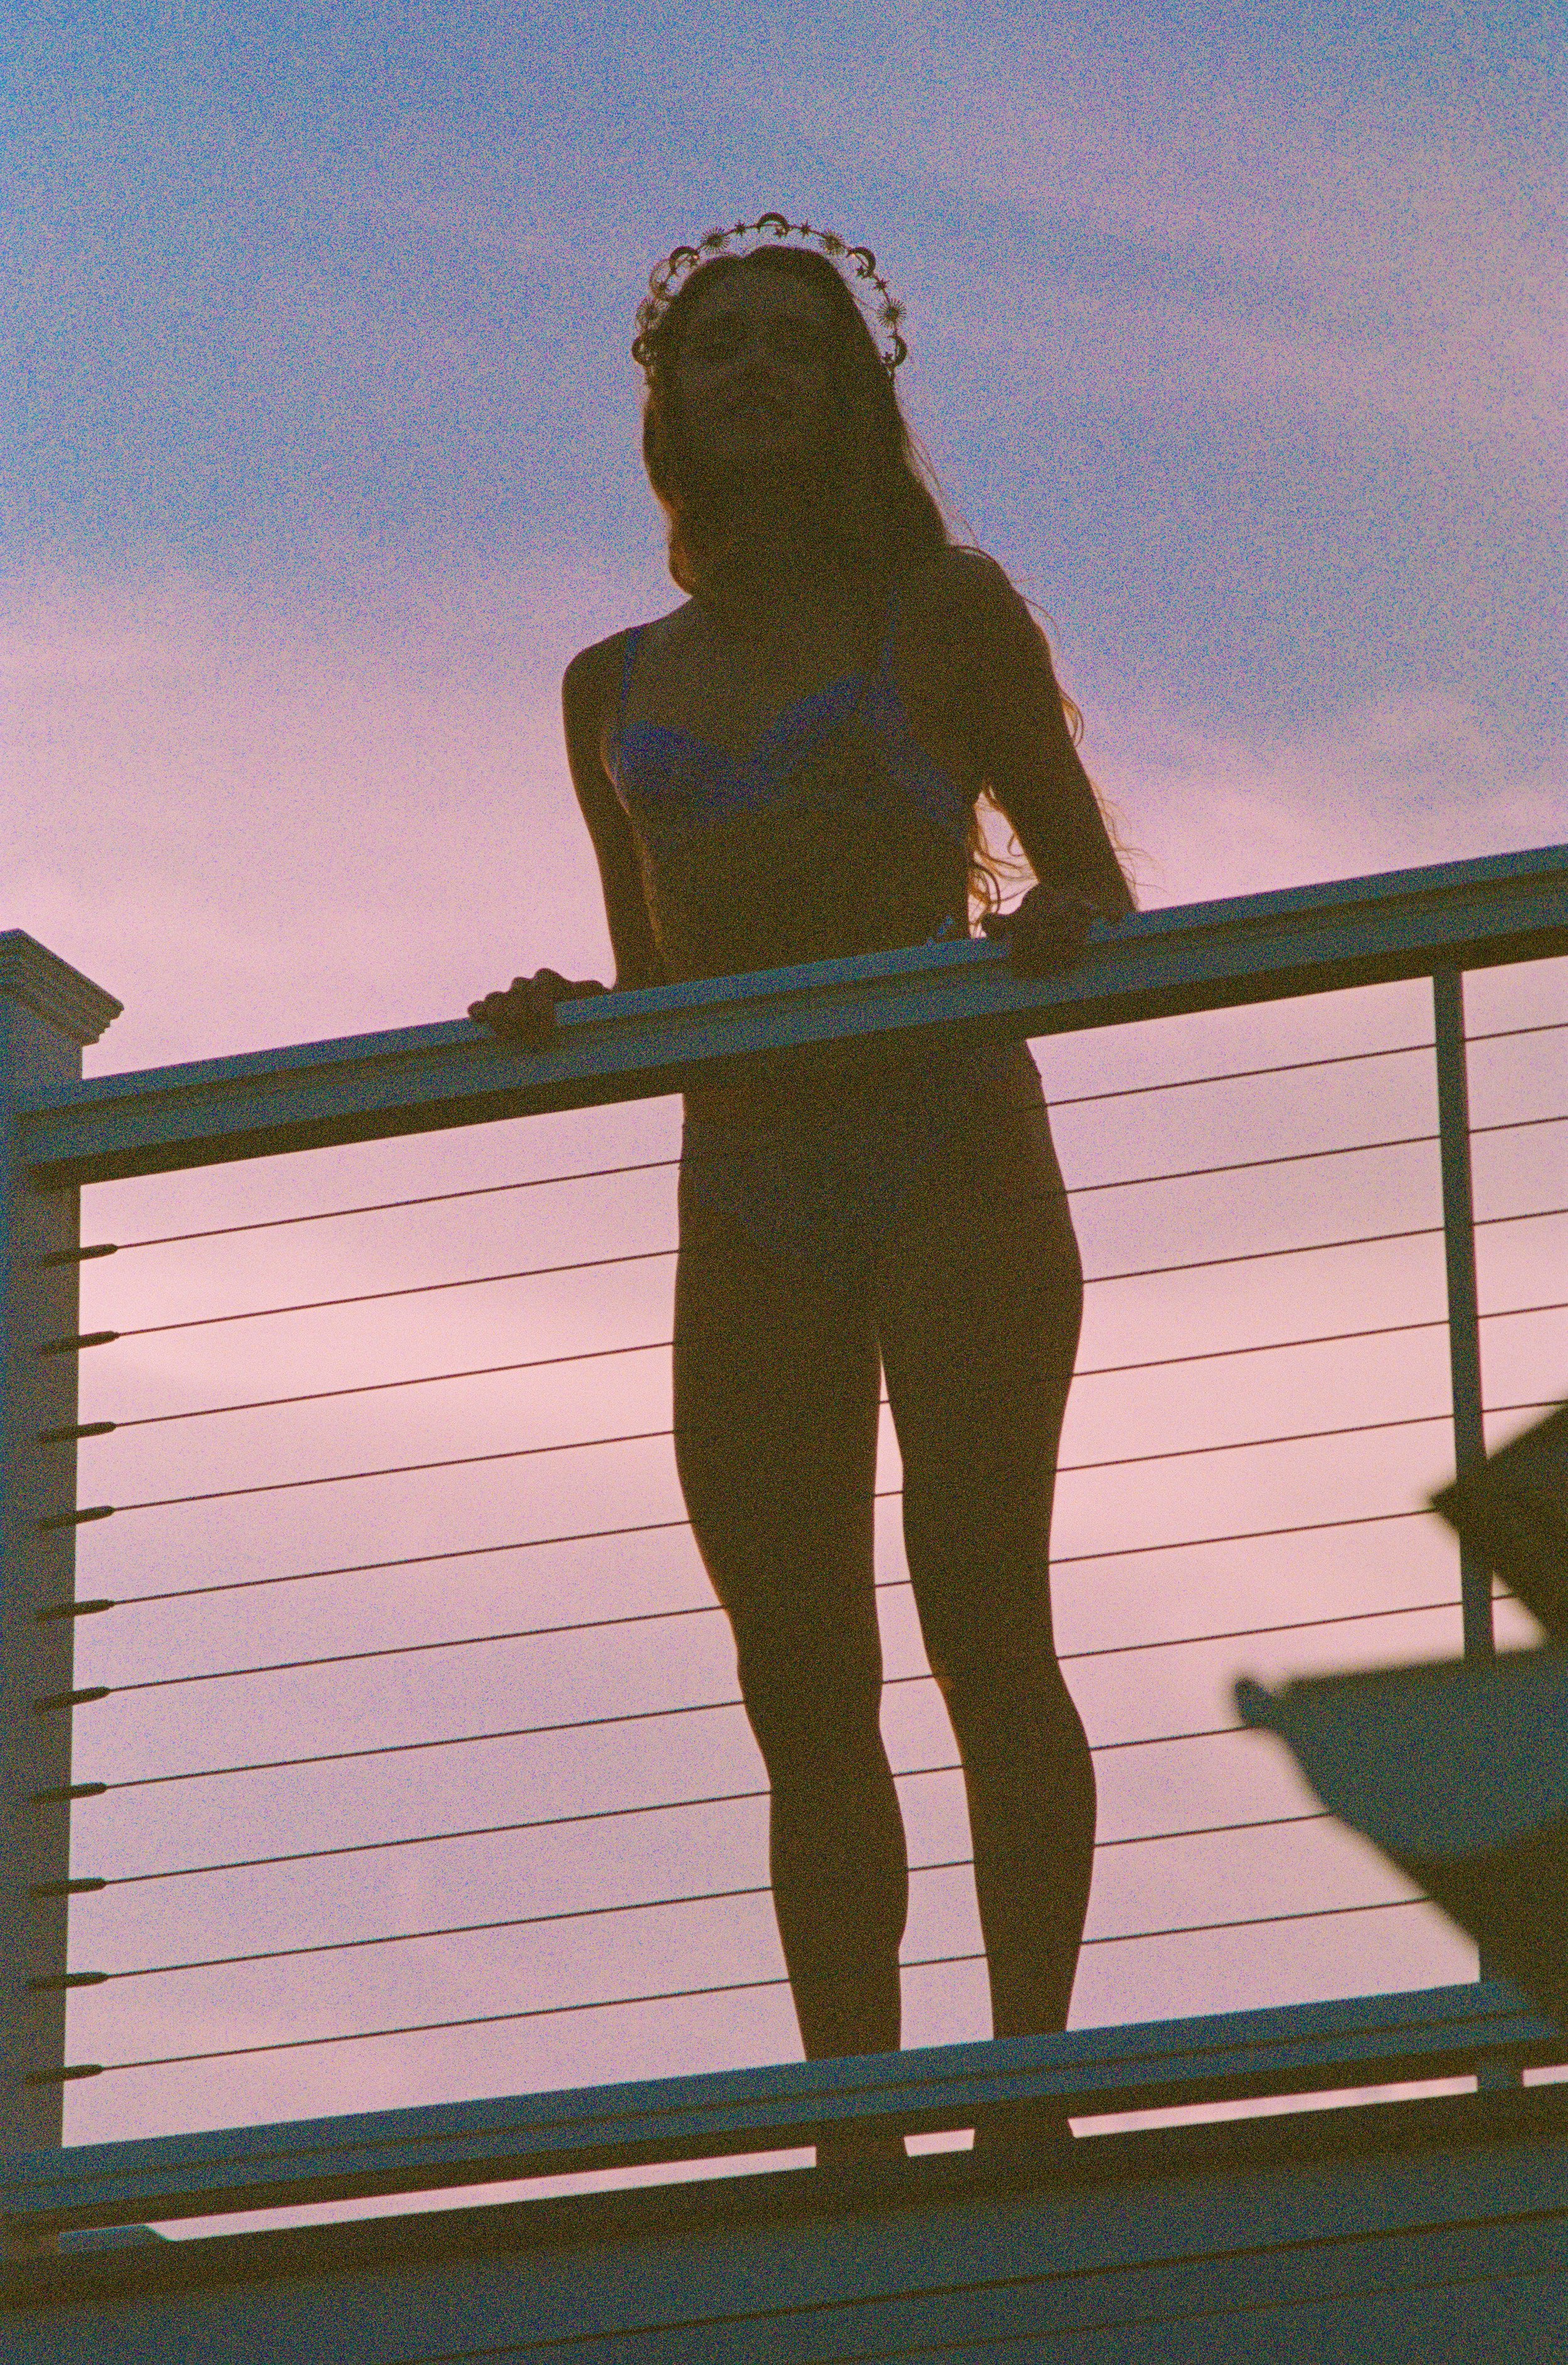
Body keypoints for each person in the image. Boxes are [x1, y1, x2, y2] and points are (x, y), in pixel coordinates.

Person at [470, 218, 1136, 2158]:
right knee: (795, 1668)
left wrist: (1055, 932)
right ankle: (854, 2129)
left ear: (850, 392)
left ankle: (1030, 2099)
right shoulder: (609, 681)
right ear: (668, 402)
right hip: (743, 1176)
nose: (754, 368)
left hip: (950, 1142)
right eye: (717, 346)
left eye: (793, 344)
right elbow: (663, 982)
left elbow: (1087, 877)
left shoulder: (946, 610)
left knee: (982, 1616)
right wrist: (566, 1013)